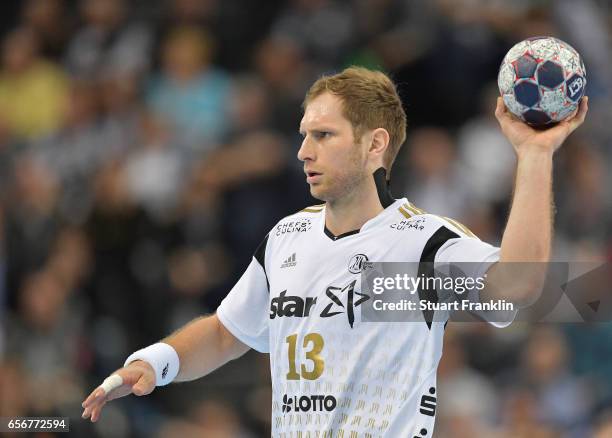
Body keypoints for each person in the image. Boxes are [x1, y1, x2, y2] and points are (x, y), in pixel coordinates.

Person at [81, 67, 588, 436]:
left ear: (374, 146)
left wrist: (536, 154)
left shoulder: (423, 244)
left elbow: (520, 286)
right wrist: (155, 361)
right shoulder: (286, 239)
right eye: (304, 135)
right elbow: (225, 331)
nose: (304, 150)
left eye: (323, 135)